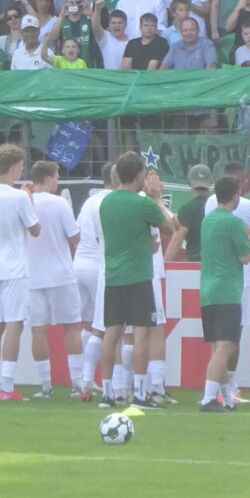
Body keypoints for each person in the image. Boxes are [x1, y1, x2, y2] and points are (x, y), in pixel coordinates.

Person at [96, 151, 178, 409]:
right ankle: (142, 393)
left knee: (111, 335)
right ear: (140, 175)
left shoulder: (106, 202)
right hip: (139, 276)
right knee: (141, 333)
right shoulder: (142, 204)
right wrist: (156, 198)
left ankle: (109, 392)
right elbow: (171, 227)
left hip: (114, 277)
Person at [0, 142, 41, 400]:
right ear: (14, 167)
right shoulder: (18, 198)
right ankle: (6, 385)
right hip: (13, 268)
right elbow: (35, 229)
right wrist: (29, 199)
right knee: (14, 324)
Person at [198, 175, 250, 411]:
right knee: (226, 347)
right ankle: (208, 398)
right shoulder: (234, 223)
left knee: (217, 348)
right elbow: (245, 257)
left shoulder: (208, 220)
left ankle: (225, 399)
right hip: (227, 291)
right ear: (236, 197)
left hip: (208, 290)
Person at [24, 160, 82, 399]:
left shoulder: (24, 202)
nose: (58, 182)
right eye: (57, 177)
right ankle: (78, 384)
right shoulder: (60, 204)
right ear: (47, 179)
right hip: (60, 274)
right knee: (72, 327)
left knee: (38, 331)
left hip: (33, 276)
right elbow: (75, 236)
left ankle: (45, 385)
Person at [72, 165, 113, 398]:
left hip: (80, 264)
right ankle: (89, 381)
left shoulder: (90, 201)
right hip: (100, 266)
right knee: (105, 327)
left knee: (88, 324)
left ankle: (83, 380)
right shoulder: (111, 202)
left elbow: (78, 233)